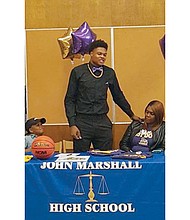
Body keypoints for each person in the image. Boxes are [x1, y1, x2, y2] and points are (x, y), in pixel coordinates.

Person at [64, 39, 141, 152]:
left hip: (102, 121)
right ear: (91, 53)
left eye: (105, 54)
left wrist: (131, 114)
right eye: (99, 54)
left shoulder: (109, 73)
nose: (102, 57)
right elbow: (69, 99)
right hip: (82, 121)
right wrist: (72, 124)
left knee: (105, 157)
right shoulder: (78, 72)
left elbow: (118, 96)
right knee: (80, 159)